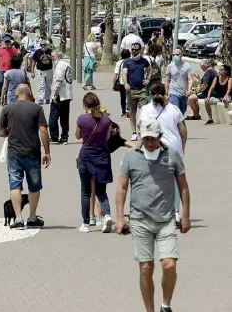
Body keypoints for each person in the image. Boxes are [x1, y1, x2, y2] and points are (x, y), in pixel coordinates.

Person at [116, 119, 191, 312]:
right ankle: (149, 309)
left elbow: (183, 186)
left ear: (160, 137)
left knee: (169, 266)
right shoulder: (130, 156)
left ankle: (165, 305)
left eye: (153, 139)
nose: (149, 143)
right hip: (140, 220)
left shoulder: (172, 155)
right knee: (146, 269)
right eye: (146, 138)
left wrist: (185, 216)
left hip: (166, 220)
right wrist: (119, 217)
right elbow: (122, 189)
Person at [0, 84, 51, 229]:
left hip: (14, 153)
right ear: (29, 94)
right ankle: (32, 217)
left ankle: (19, 219)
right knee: (34, 185)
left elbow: (1, 132)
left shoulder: (7, 109)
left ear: (16, 94)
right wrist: (47, 151)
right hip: (32, 152)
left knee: (15, 185)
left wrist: (13, 132)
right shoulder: (37, 108)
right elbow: (43, 131)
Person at [138, 82, 187, 227]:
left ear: (150, 94)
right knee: (175, 182)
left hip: (153, 148)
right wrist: (181, 149)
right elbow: (183, 132)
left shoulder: (145, 110)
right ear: (165, 93)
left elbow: (140, 129)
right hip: (174, 148)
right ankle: (176, 213)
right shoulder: (174, 109)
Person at [75, 92, 113, 233]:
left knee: (85, 191)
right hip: (102, 155)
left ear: (85, 105)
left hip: (86, 156)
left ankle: (85, 223)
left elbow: (78, 136)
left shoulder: (82, 119)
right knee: (101, 191)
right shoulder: (106, 120)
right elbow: (107, 137)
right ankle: (107, 215)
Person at [122, 42, 151, 141]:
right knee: (132, 113)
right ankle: (134, 133)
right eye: (132, 49)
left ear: (140, 50)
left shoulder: (144, 61)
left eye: (136, 50)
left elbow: (149, 69)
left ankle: (143, 130)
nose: (134, 51)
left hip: (142, 90)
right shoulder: (127, 62)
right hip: (131, 91)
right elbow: (124, 73)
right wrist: (126, 83)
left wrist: (148, 79)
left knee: (144, 112)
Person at [49, 50, 73, 145]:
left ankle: (54, 136)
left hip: (60, 94)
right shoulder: (66, 64)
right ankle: (64, 137)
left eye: (53, 56)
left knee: (53, 116)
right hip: (67, 94)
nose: (52, 58)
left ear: (58, 56)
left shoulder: (59, 66)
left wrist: (55, 94)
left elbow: (58, 81)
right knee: (64, 116)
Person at [165, 49, 194, 115]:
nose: (175, 56)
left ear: (181, 55)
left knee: (181, 113)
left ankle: (179, 125)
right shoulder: (170, 66)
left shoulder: (187, 66)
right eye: (174, 55)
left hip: (183, 94)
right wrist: (166, 92)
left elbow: (190, 79)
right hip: (173, 93)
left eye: (177, 55)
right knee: (175, 111)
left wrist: (189, 90)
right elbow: (167, 81)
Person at [31, 39, 54, 104]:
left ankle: (47, 98)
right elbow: (33, 62)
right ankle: (41, 98)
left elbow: (55, 61)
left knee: (48, 85)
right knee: (42, 85)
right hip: (40, 71)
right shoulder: (37, 52)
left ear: (47, 45)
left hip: (49, 70)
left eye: (44, 45)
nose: (43, 46)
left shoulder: (51, 52)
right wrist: (32, 72)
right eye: (41, 45)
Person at [113, 49, 131, 117]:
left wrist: (113, 83)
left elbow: (115, 74)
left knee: (122, 97)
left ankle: (123, 111)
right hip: (130, 82)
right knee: (129, 97)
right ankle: (128, 110)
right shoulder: (131, 62)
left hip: (121, 82)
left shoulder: (119, 62)